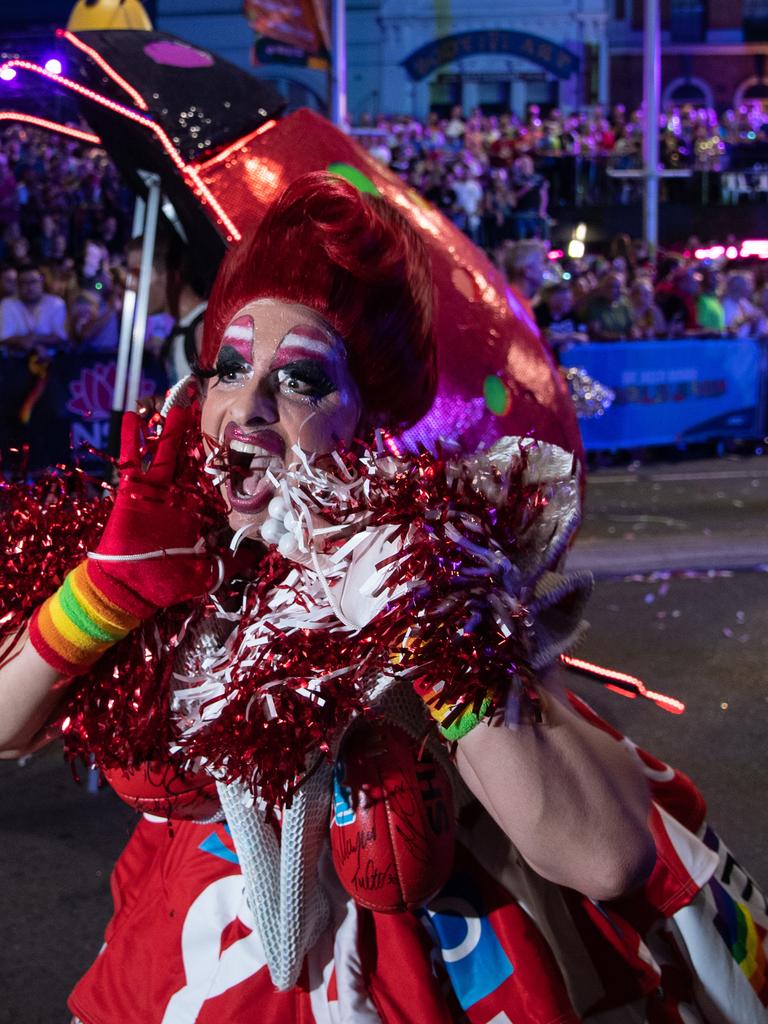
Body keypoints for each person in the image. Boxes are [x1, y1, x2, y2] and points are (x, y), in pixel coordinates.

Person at [0, 174, 761, 1024]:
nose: (248, 408)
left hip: (397, 980)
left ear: (368, 415)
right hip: (185, 956)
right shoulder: (157, 530)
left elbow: (603, 856)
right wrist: (103, 590)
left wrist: (427, 626)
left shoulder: (424, 554)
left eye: (302, 382)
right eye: (228, 367)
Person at [0, 262, 68, 351]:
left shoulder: (56, 303)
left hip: (53, 358)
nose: (29, 287)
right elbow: (3, 337)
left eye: (33, 281)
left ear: (42, 281)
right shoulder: (7, 304)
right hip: (15, 359)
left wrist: (35, 339)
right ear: (18, 284)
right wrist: (22, 341)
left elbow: (62, 336)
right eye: (24, 282)